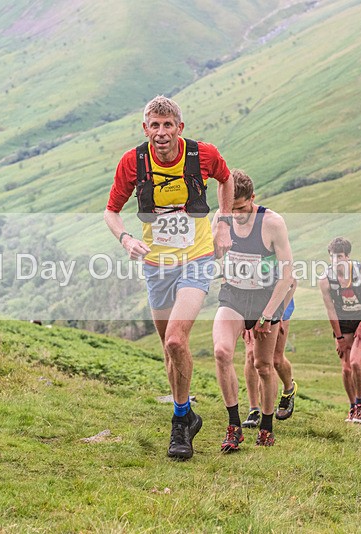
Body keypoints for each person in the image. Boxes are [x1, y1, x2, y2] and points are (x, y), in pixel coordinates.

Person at [104, 95, 234, 460]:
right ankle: (187, 413)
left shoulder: (202, 155)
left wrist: (222, 225)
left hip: (197, 257)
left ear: (179, 127)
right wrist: (126, 237)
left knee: (177, 341)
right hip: (156, 264)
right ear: (145, 129)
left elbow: (226, 180)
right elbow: (111, 211)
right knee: (168, 348)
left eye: (167, 125)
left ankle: (180, 423)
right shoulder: (133, 162)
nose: (161, 133)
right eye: (154, 125)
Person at [210, 170, 294, 451]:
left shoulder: (272, 222)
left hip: (264, 299)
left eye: (243, 208)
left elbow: (287, 274)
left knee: (263, 365)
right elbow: (214, 256)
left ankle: (267, 426)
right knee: (222, 352)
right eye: (232, 209)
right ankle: (234, 426)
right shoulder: (222, 219)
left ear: (253, 199)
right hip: (233, 295)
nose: (238, 215)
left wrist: (269, 314)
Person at [318, 237, 361, 424]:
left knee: (355, 362)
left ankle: (360, 405)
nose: (336, 260)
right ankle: (352, 406)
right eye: (332, 257)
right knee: (346, 369)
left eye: (340, 256)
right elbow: (330, 310)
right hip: (343, 321)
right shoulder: (325, 280)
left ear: (347, 257)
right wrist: (339, 337)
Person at [242, 285, 297, 429]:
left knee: (276, 360)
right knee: (251, 355)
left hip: (280, 303)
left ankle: (289, 388)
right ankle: (254, 409)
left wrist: (278, 316)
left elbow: (291, 282)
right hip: (252, 303)